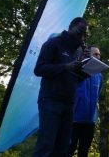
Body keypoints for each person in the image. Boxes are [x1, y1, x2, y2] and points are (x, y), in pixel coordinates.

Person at [33, 17, 89, 156]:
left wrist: (86, 69)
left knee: (62, 147)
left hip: (69, 102)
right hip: (51, 99)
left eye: (85, 34)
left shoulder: (78, 51)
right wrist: (65, 66)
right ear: (72, 27)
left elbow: (76, 80)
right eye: (81, 31)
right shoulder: (53, 43)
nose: (82, 36)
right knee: (46, 145)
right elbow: (39, 69)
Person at [68, 46, 103, 157]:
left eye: (99, 54)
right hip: (74, 119)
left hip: (90, 121)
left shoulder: (99, 75)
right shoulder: (77, 70)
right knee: (68, 149)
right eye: (95, 54)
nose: (98, 56)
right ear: (88, 55)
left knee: (84, 152)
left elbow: (97, 95)